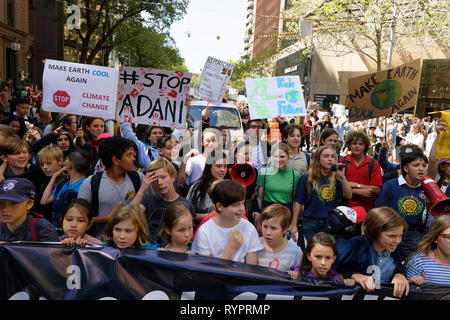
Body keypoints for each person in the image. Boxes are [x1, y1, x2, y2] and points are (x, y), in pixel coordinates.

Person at [335, 207, 410, 298]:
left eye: (400, 235)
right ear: (375, 231)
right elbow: (328, 268)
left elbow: (402, 268)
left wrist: (399, 275)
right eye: (392, 236)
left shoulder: (397, 250)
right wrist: (353, 275)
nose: (398, 241)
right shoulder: (353, 247)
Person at [77, 136, 142, 239]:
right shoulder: (91, 183)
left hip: (132, 246)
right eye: (129, 155)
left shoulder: (139, 178)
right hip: (100, 246)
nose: (133, 159)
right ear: (116, 160)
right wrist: (106, 218)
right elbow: (79, 218)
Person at [191, 179, 263, 264]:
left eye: (243, 203)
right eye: (235, 205)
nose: (242, 209)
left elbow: (251, 267)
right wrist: (230, 249)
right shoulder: (205, 231)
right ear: (219, 206)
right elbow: (207, 270)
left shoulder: (249, 228)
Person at [290, 145, 352, 242]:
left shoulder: (336, 177)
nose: (330, 159)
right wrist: (294, 224)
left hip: (330, 223)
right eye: (326, 156)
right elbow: (298, 202)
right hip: (310, 222)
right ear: (318, 159)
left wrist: (343, 178)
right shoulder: (307, 178)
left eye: (332, 156)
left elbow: (348, 196)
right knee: (310, 252)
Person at [376, 151, 430, 257]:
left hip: (417, 236)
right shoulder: (390, 186)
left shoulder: (428, 188)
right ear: (406, 168)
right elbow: (380, 213)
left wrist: (429, 207)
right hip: (392, 235)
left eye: (424, 165)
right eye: (416, 165)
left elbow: (429, 221)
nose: (421, 169)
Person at [131, 158, 193, 244]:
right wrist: (142, 189)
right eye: (155, 180)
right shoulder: (148, 199)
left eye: (163, 177)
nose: (159, 182)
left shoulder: (185, 204)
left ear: (173, 177)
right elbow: (129, 216)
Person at [41, 149, 91, 227]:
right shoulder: (64, 183)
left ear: (69, 165)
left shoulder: (85, 185)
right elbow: (44, 201)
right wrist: (54, 176)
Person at [0, 178, 59, 242]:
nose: (5, 209)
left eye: (14, 203)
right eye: (0, 203)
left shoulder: (42, 228)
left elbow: (52, 251)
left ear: (30, 204)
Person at [338, 130, 383, 211]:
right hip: (345, 206)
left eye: (360, 144)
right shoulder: (343, 161)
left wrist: (356, 185)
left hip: (366, 207)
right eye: (354, 143)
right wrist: (359, 192)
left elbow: (377, 189)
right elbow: (337, 186)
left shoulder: (373, 163)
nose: (356, 146)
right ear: (349, 145)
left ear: (365, 146)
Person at [257, 204, 303, 279]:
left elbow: (300, 273)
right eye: (265, 226)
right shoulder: (254, 246)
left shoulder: (296, 252)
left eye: (273, 228)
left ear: (285, 229)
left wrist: (295, 274)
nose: (268, 232)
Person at [256, 143, 300, 214]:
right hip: (267, 209)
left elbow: (296, 200)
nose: (279, 160)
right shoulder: (264, 172)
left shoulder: (294, 175)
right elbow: (259, 197)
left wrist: (293, 220)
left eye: (282, 157)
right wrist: (261, 213)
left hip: (286, 210)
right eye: (276, 156)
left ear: (288, 157)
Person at [406, 215, 450, 286]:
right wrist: (413, 282)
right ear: (435, 238)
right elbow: (407, 291)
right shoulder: (419, 262)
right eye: (449, 237)